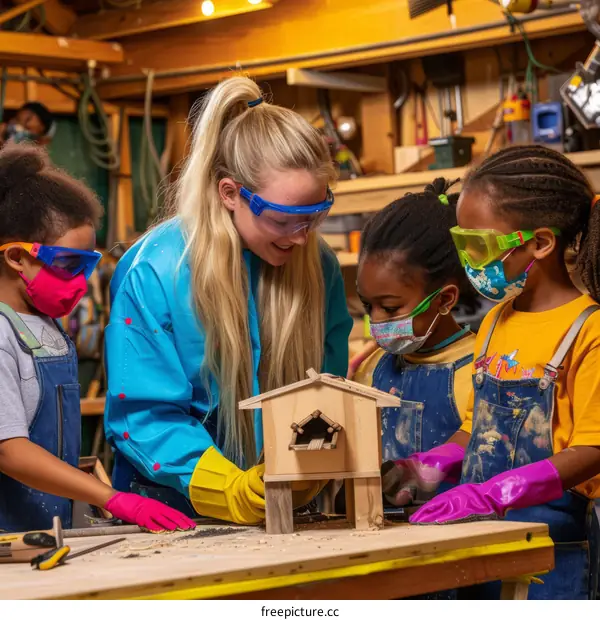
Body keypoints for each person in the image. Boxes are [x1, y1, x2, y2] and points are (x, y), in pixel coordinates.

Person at [104, 77, 353, 525]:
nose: (301, 238)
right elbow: (143, 414)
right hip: (171, 507)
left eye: (314, 217)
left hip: (284, 506)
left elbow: (325, 385)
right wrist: (227, 489)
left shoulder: (319, 265)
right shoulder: (157, 271)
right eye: (283, 220)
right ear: (231, 193)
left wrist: (312, 467)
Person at [392, 145, 600, 600]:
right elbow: (481, 427)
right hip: (482, 542)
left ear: (540, 243)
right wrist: (433, 463)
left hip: (554, 551)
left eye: (479, 245)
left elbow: (591, 449)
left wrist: (493, 493)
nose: (469, 260)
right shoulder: (494, 322)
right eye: (462, 242)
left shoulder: (590, 330)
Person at [0, 143, 196, 534]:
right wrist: (110, 497)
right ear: (18, 258)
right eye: (69, 264)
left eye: (88, 264)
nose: (82, 280)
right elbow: (10, 450)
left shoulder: (48, 326)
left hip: (45, 531)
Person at [353, 179, 476, 507]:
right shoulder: (371, 368)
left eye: (391, 307)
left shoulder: (482, 367)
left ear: (445, 300)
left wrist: (425, 469)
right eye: (368, 306)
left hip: (463, 532)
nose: (377, 320)